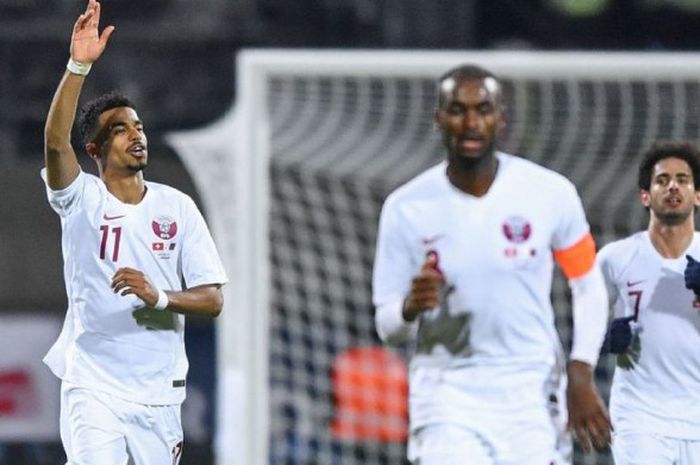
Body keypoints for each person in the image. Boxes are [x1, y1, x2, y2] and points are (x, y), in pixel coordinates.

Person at [371, 64, 611, 465]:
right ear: (438, 118)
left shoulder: (549, 193)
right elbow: (387, 327)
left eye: (482, 109)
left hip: (530, 390)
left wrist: (581, 371)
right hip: (447, 393)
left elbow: (587, 283)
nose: (470, 122)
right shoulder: (406, 207)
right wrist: (409, 308)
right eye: (457, 109)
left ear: (501, 117)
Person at [41, 2, 228, 464]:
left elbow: (213, 299)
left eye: (138, 126)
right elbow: (54, 142)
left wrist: (160, 296)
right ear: (94, 148)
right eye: (119, 129)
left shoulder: (177, 207)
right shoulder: (80, 199)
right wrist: (78, 65)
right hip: (93, 385)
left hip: (158, 393)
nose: (136, 135)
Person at [598, 141, 700, 465]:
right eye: (662, 180)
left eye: (683, 179)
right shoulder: (615, 259)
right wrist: (606, 337)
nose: (673, 186)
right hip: (640, 416)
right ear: (645, 196)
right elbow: (586, 321)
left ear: (697, 195)